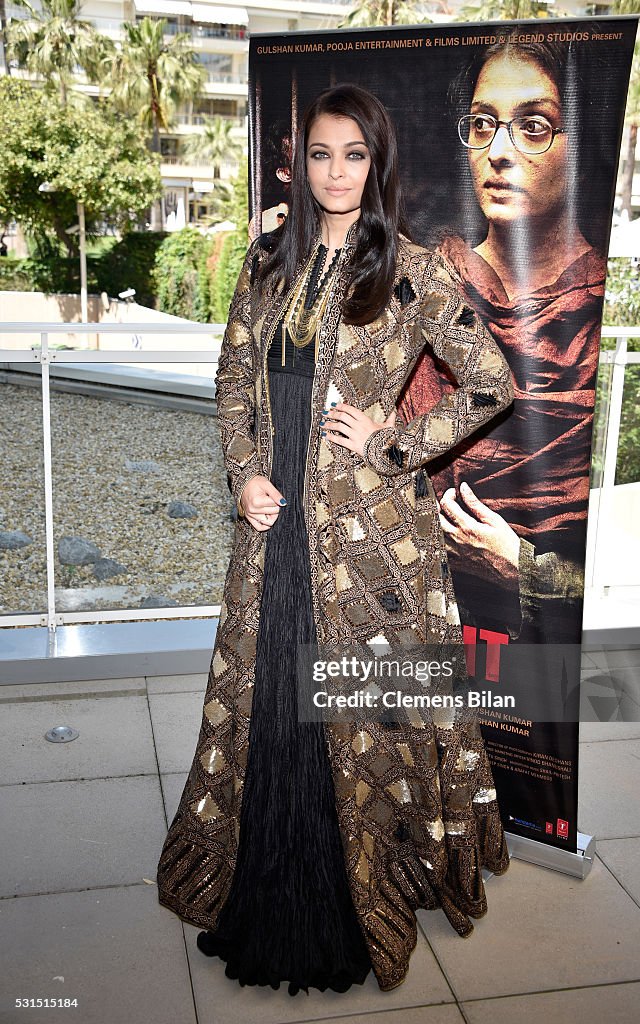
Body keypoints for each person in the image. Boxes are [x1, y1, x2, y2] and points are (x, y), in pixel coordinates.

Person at [156, 83, 514, 996]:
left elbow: (490, 381)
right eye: (321, 153)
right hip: (272, 527)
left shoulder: (409, 268)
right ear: (298, 161)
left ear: (377, 162)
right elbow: (234, 376)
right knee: (272, 706)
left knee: (356, 723)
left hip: (367, 542)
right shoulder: (268, 258)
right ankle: (263, 894)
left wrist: (396, 442)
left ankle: (355, 904)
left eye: (354, 154)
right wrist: (243, 474)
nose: (337, 171)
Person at [399, 32, 609, 642]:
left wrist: (520, 567)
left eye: (534, 126)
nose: (500, 151)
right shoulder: (426, 285)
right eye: (483, 123)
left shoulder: (599, 306)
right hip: (415, 609)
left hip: (533, 649)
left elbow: (597, 570)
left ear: (579, 147)